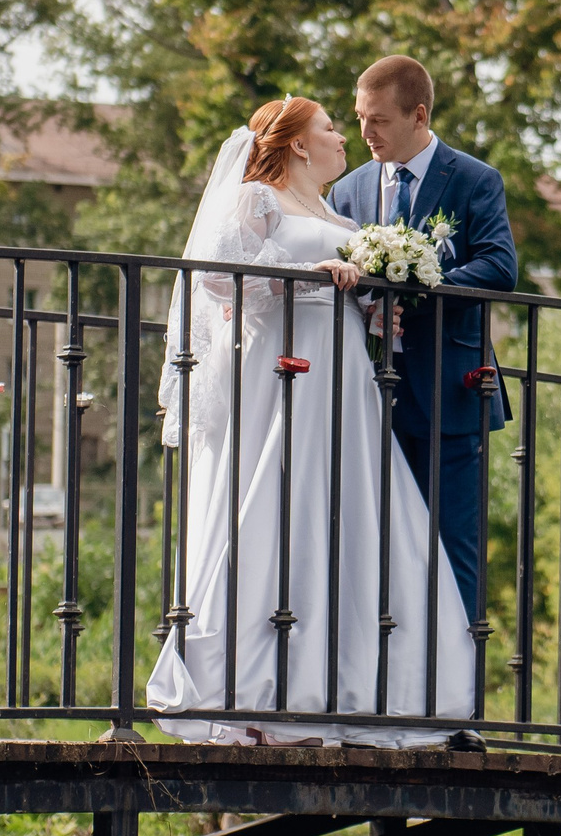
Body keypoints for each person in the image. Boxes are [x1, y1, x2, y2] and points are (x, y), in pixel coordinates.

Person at [144, 97, 476, 746]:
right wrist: (309, 274)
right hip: (283, 370)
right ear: (297, 143)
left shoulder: (337, 215)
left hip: (344, 373)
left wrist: (377, 307)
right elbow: (218, 281)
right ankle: (258, 694)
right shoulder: (257, 199)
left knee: (345, 513)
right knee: (278, 507)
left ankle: (341, 689)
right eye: (330, 127)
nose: (343, 138)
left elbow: (348, 293)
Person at [327, 56, 518, 635]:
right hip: (366, 393)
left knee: (453, 545)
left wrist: (417, 284)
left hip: (449, 390)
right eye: (360, 118)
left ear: (419, 115)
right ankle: (388, 677)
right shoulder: (350, 189)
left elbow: (500, 266)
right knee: (374, 545)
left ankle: (458, 684)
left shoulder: (474, 179)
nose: (365, 133)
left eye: (379, 120)